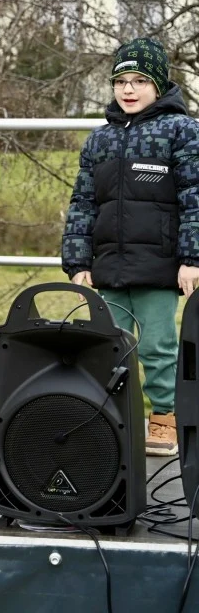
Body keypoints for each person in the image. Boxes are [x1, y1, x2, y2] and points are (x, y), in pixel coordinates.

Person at [63, 37, 199, 457]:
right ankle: (114, 418)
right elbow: (83, 203)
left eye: (140, 80)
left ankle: (165, 418)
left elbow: (195, 197)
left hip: (158, 266)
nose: (128, 89)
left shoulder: (182, 131)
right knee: (109, 346)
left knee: (157, 346)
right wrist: (77, 262)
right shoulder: (99, 140)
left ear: (159, 84)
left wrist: (192, 257)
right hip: (108, 266)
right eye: (121, 81)